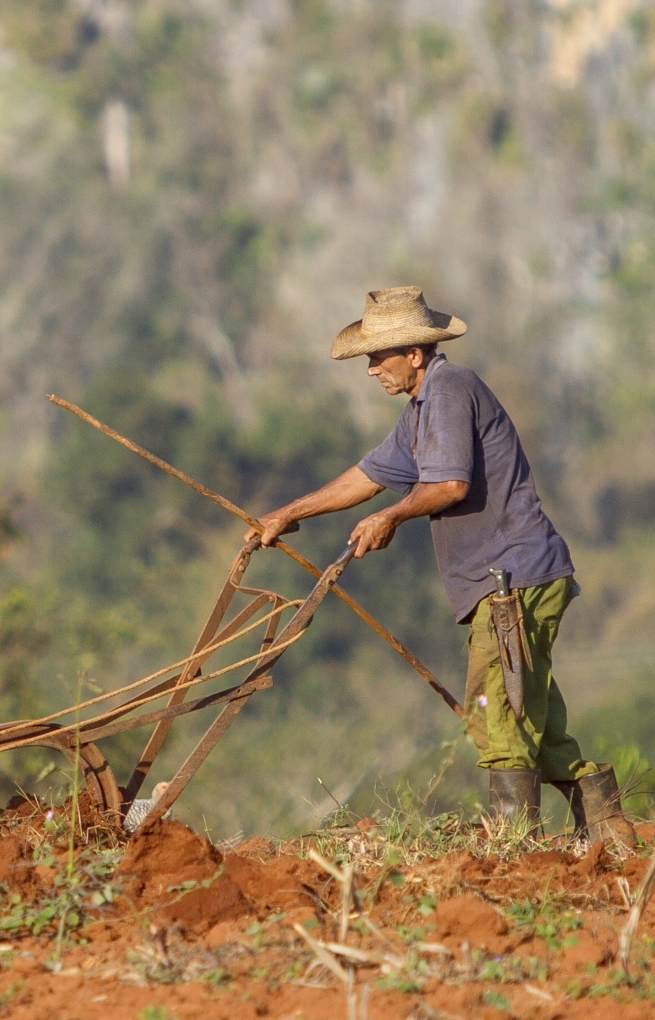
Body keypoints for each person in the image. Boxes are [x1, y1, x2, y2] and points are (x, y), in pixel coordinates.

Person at [248, 286, 623, 837]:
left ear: (415, 354)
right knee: (523, 717)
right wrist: (286, 513)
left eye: (379, 356)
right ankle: (609, 826)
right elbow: (369, 476)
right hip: (504, 584)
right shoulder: (420, 410)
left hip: (512, 581)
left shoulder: (450, 389)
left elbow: (449, 484)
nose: (372, 369)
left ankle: (515, 845)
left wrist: (390, 519)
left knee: (499, 716)